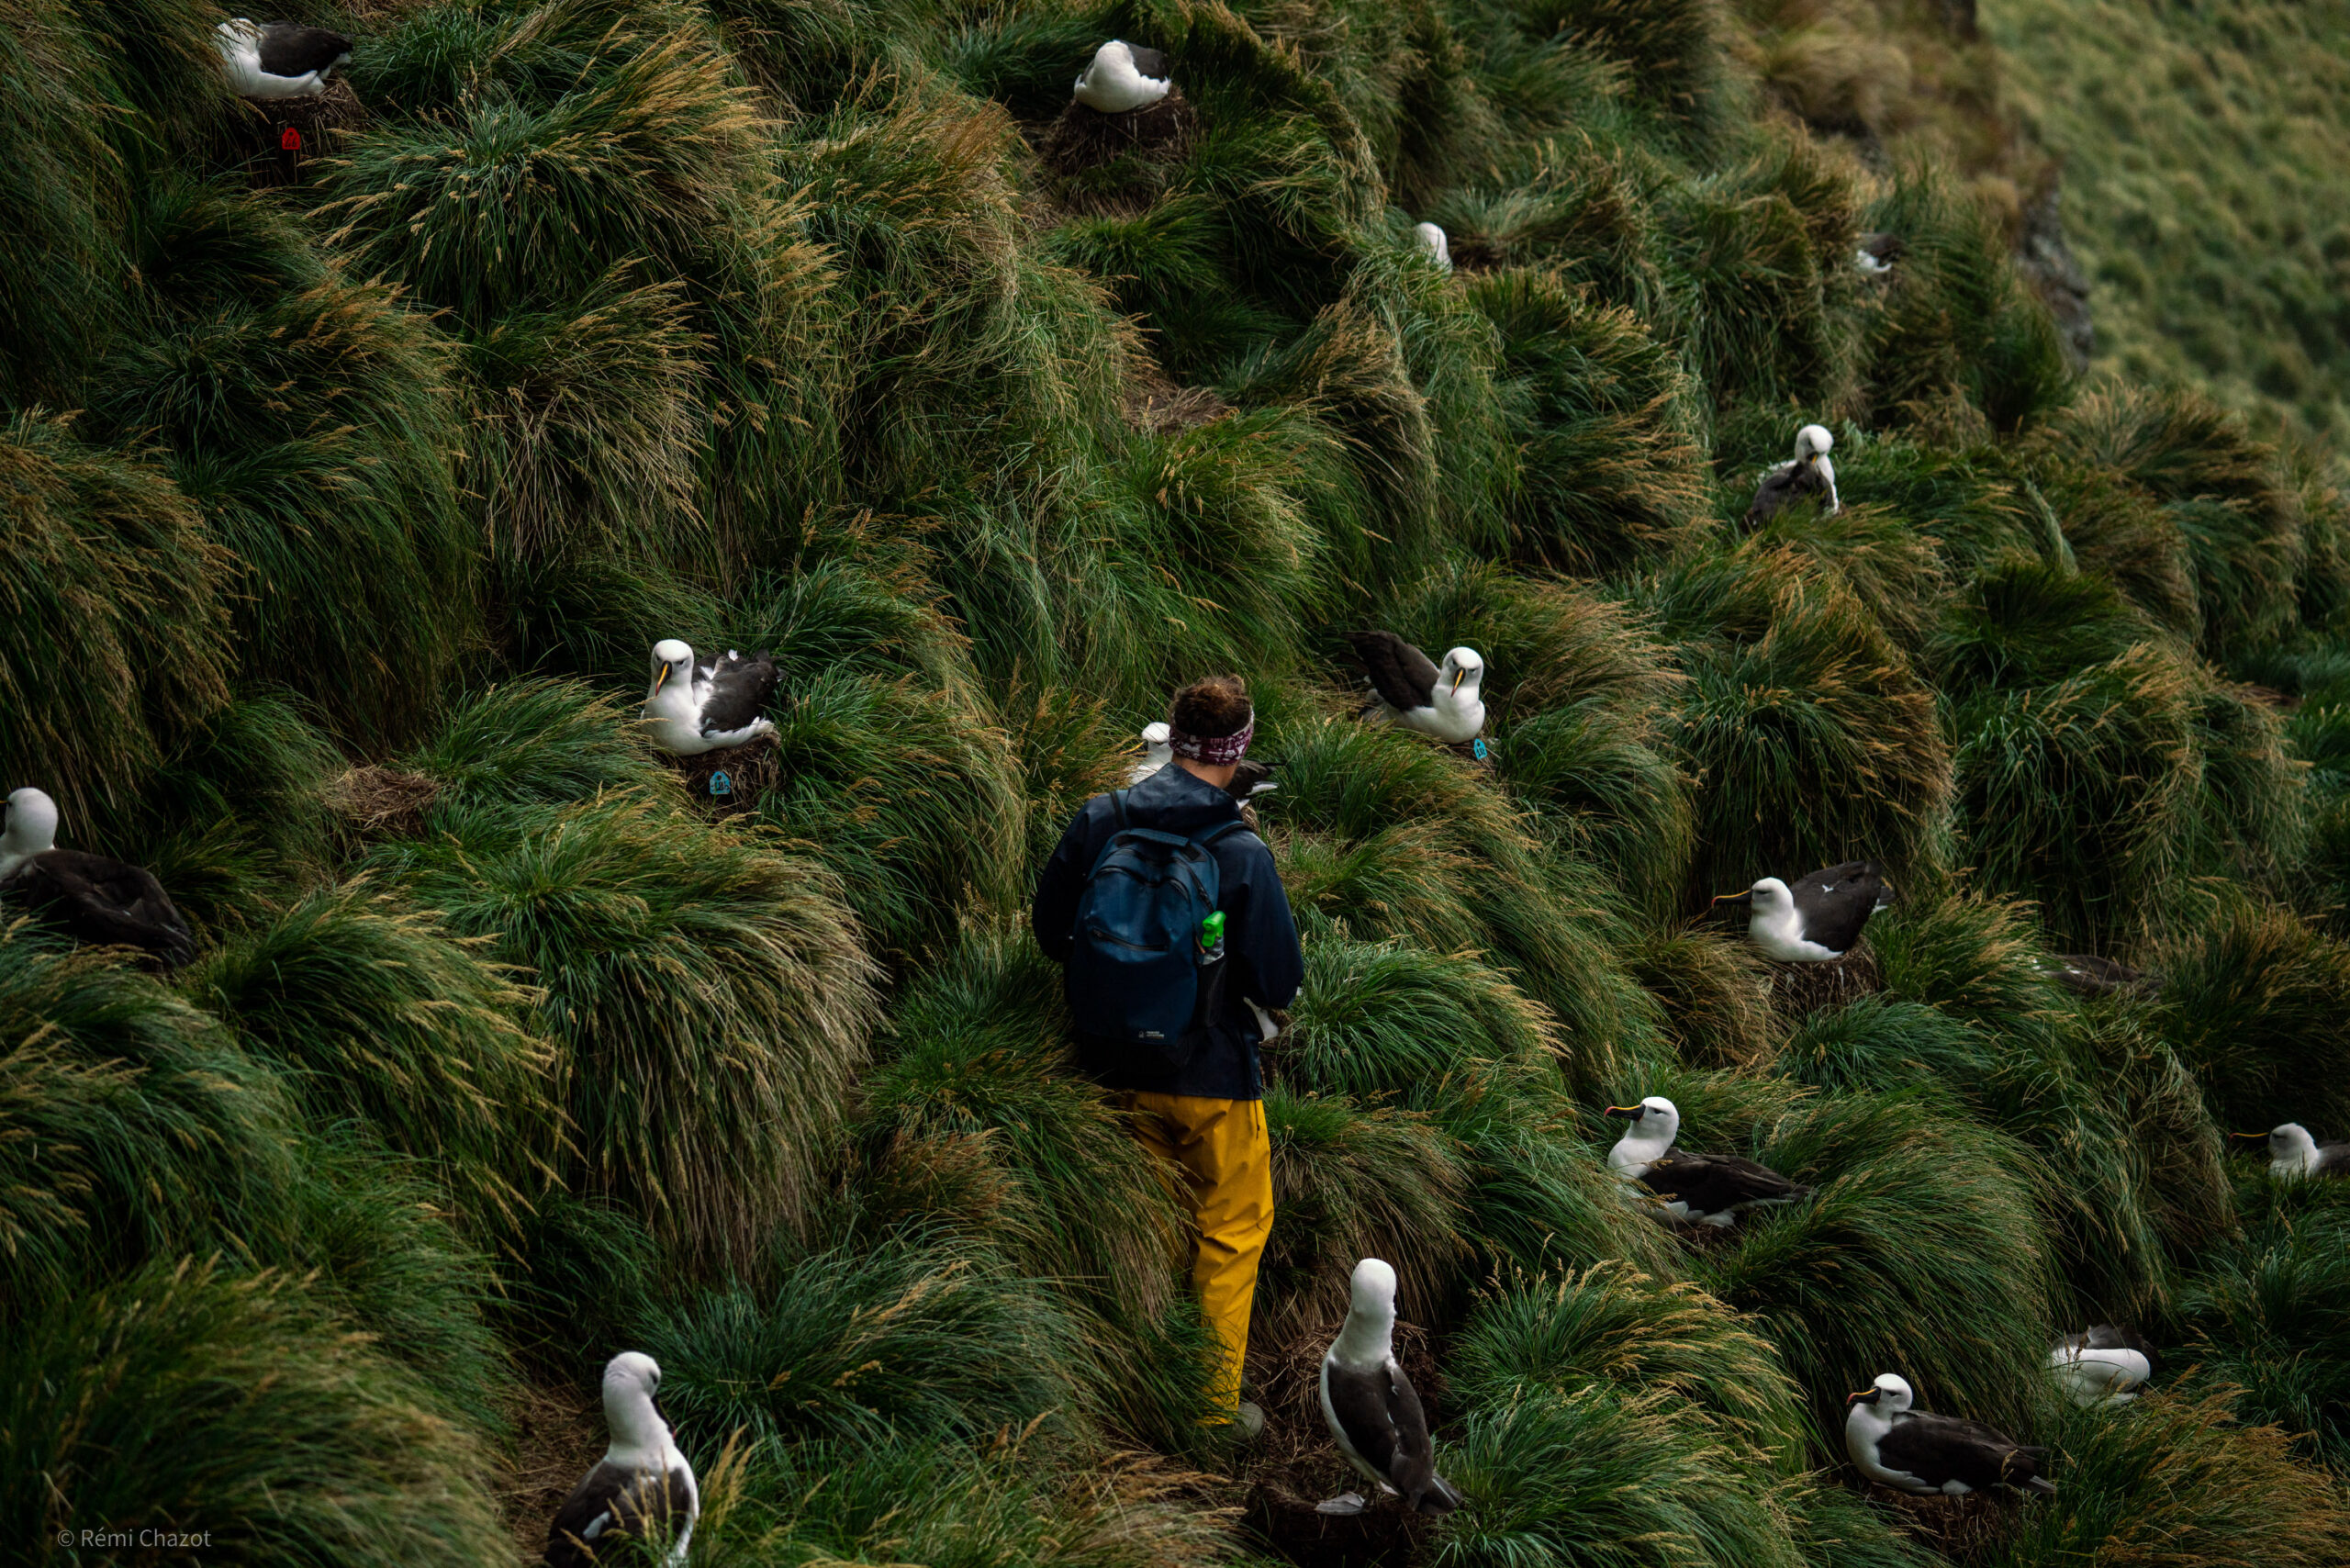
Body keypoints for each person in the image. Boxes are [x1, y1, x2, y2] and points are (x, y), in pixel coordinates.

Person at [1032, 675, 1304, 1435]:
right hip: (1210, 1077)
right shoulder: (1240, 851)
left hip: (1106, 1068)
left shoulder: (1101, 817)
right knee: (1230, 1230)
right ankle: (1208, 1414)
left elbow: (1052, 933)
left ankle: (1121, 1377)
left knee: (1145, 1221)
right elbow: (1282, 978)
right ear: (1238, 748)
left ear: (1174, 741)